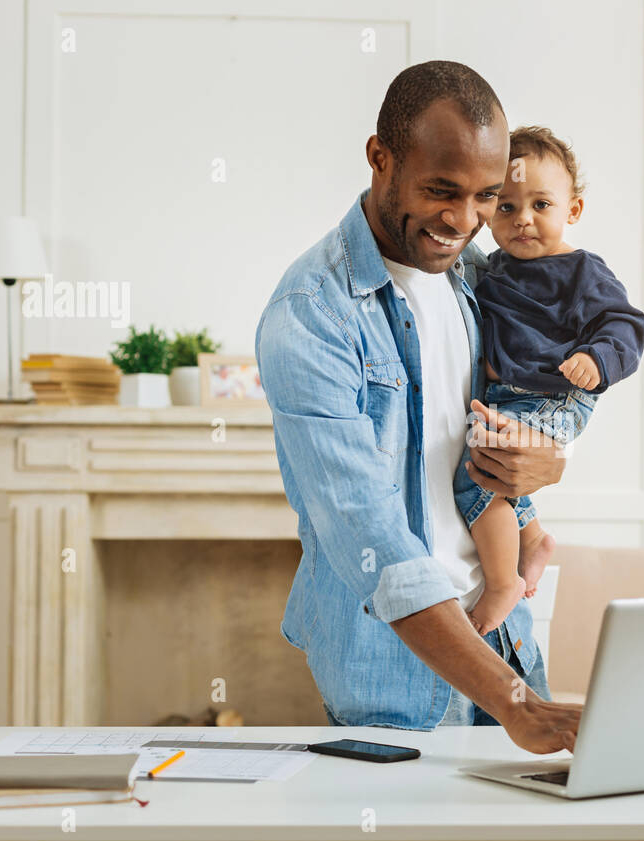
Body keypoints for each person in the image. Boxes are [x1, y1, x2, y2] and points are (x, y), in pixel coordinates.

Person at [255, 61, 581, 754]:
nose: (463, 221)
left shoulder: (474, 276)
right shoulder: (311, 315)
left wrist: (550, 457)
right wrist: (513, 702)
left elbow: (544, 386)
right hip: (392, 678)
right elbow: (369, 535)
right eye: (441, 191)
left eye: (486, 197)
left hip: (508, 645)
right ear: (381, 158)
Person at [453, 125, 644, 636]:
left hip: (555, 395)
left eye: (541, 204)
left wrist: (598, 358)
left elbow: (625, 325)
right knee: (495, 464)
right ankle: (533, 536)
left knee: (476, 473)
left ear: (572, 210)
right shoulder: (492, 270)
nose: (523, 220)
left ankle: (502, 583)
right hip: (510, 395)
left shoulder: (581, 271)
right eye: (508, 206)